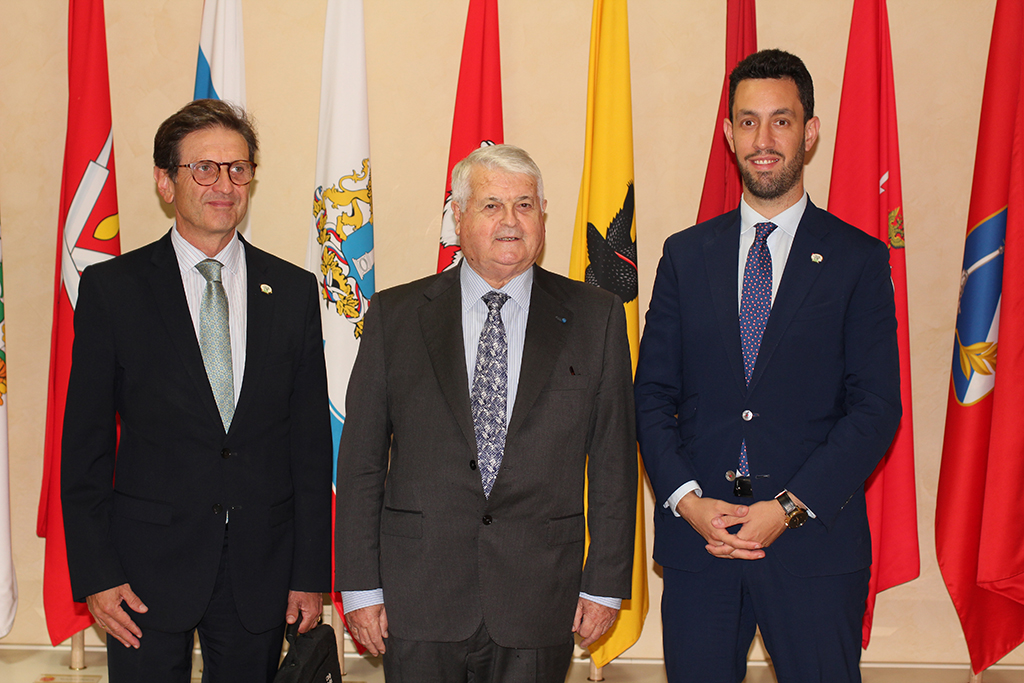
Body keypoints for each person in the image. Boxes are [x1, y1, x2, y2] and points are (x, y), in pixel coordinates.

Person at [634, 49, 901, 682]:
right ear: (729, 134)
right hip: (702, 544)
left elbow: (874, 409)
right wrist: (688, 502)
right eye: (748, 122)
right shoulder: (685, 256)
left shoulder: (858, 260)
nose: (763, 139)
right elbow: (651, 396)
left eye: (781, 121)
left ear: (810, 132)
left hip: (813, 548)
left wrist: (788, 507)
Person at [335, 144, 637, 683]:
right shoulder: (395, 317)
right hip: (418, 595)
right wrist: (359, 587)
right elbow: (360, 463)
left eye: (524, 205)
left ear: (543, 215)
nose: (510, 221)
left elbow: (614, 464)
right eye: (491, 205)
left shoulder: (598, 318)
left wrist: (605, 585)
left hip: (540, 597)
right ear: (459, 216)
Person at [60, 99, 333, 683]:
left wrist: (310, 573)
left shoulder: (292, 291)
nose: (224, 184)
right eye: (204, 169)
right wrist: (97, 573)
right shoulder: (113, 290)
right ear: (166, 182)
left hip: (261, 572)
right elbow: (85, 448)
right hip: (142, 573)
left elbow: (310, 449)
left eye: (238, 168)